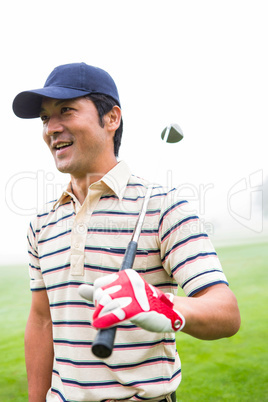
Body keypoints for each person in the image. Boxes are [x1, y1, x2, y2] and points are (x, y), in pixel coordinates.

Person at [12, 62, 241, 402]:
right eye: (45, 118)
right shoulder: (42, 222)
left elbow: (226, 313)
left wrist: (163, 306)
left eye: (66, 111)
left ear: (111, 119)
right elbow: (42, 321)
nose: (52, 128)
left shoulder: (163, 206)